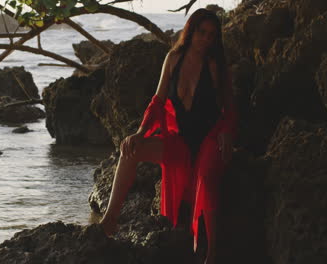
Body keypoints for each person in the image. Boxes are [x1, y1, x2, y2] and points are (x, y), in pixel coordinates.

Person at [99, 8, 238, 264]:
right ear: (191, 30)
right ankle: (109, 220)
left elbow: (228, 104)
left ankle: (212, 252)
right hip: (180, 142)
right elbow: (158, 102)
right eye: (201, 32)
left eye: (211, 35)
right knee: (130, 150)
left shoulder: (214, 64)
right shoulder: (173, 59)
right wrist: (140, 133)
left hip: (209, 138)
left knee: (206, 179)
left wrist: (227, 132)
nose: (206, 39)